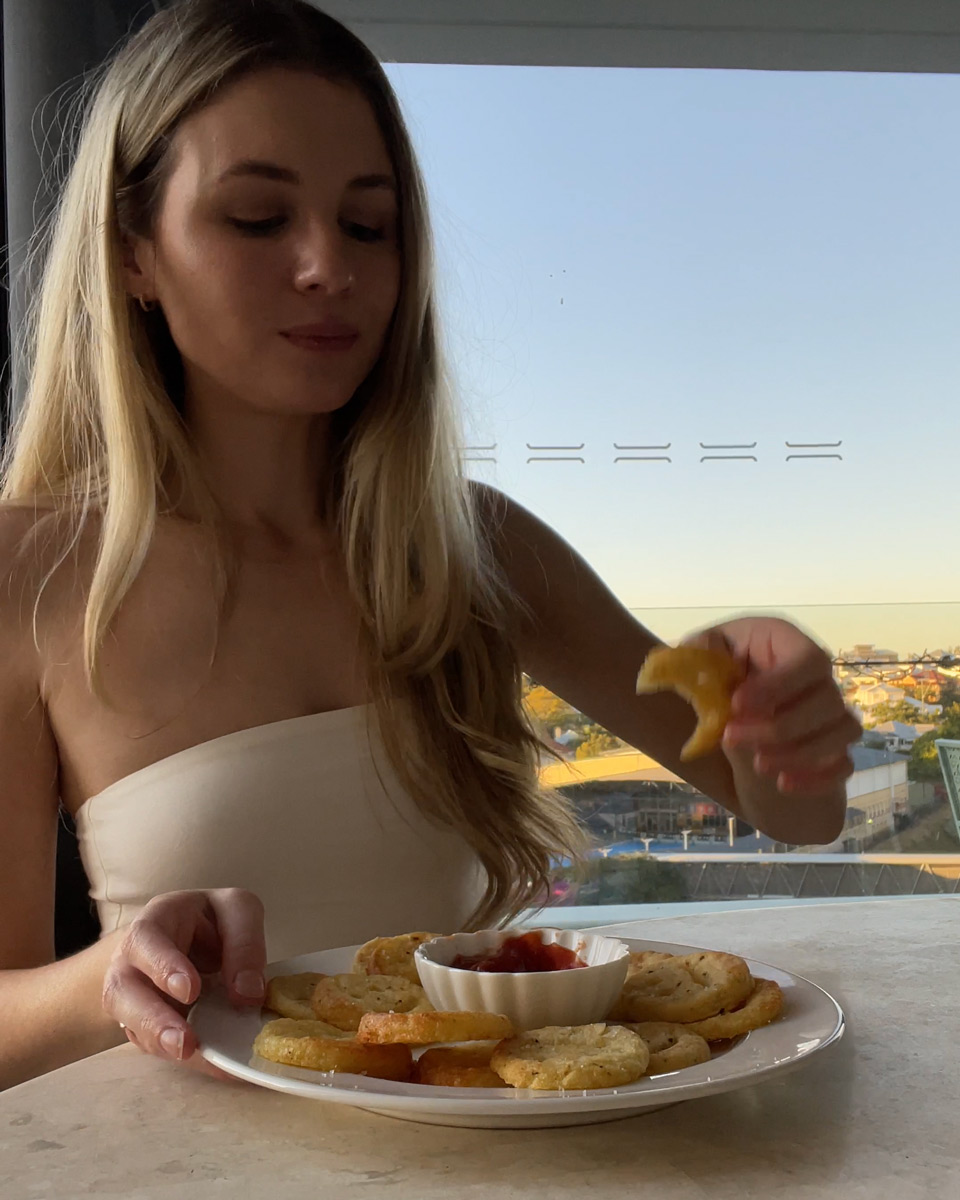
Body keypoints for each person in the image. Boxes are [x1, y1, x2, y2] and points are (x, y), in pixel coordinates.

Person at [0, 0, 859, 1090]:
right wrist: (111, 976)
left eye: (370, 225)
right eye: (259, 218)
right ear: (134, 254)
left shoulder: (479, 548)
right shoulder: (25, 574)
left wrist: (782, 724)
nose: (328, 267)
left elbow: (793, 813)